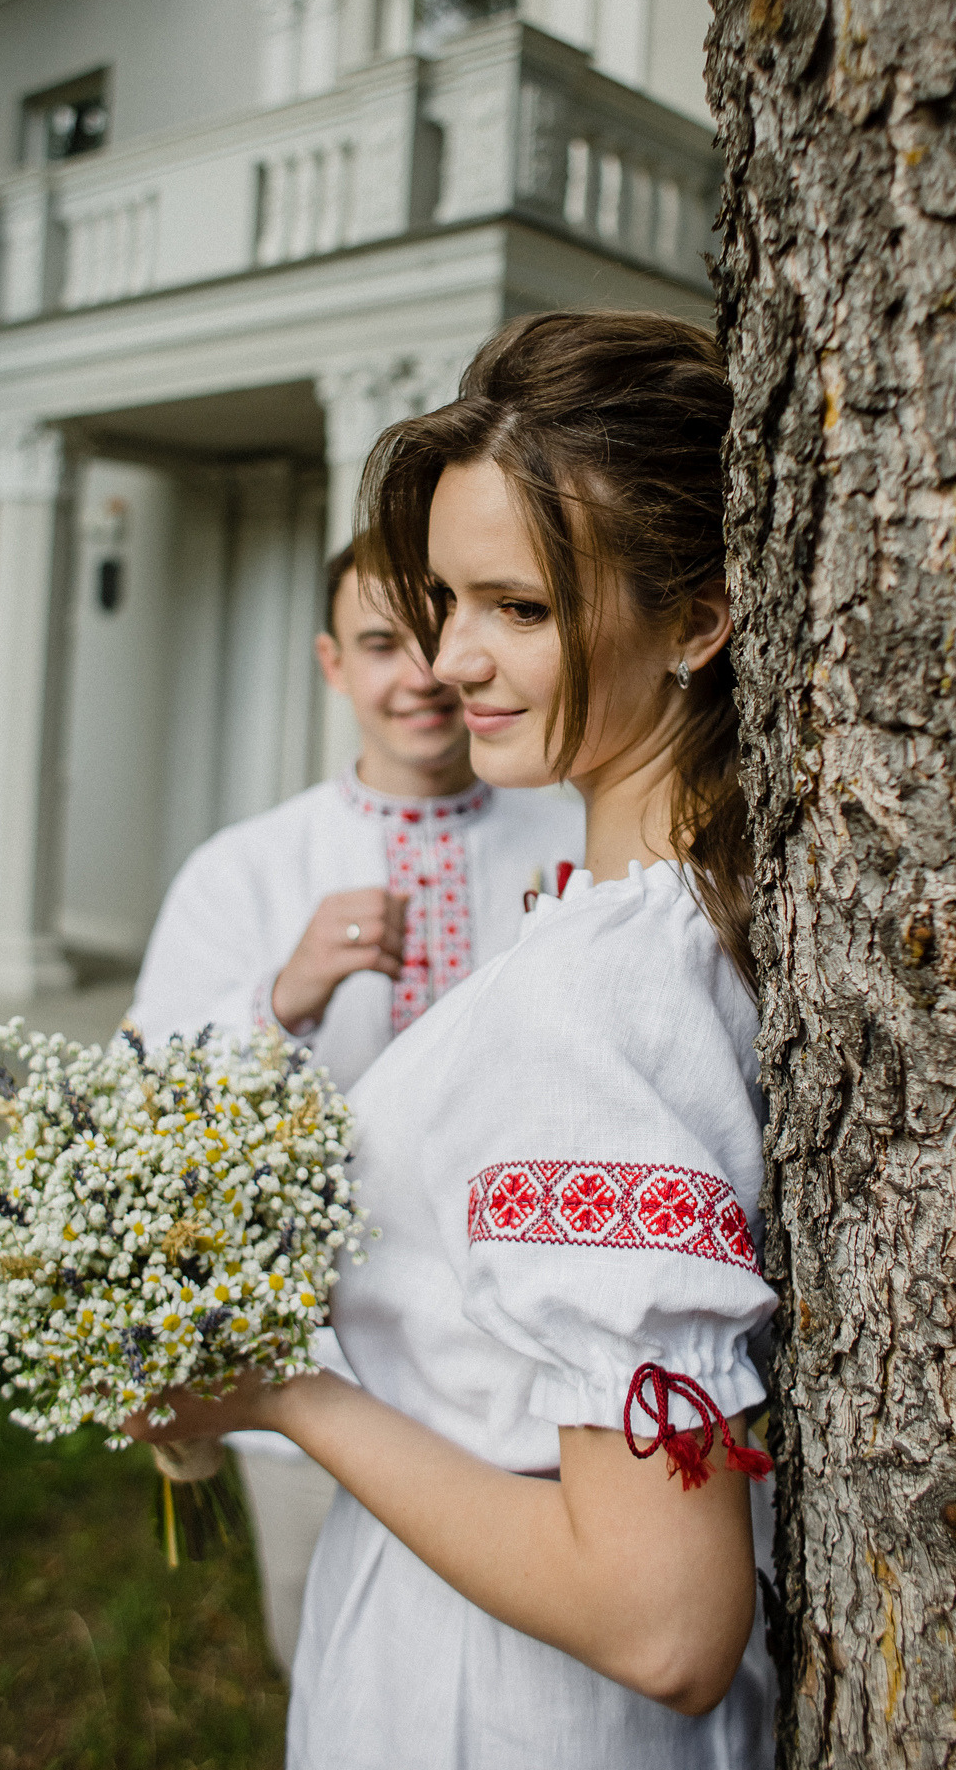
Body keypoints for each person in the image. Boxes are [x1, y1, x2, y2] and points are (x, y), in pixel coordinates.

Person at [130, 311, 778, 1769]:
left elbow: (663, 1617)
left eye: (523, 609)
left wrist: (282, 1393)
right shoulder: (644, 926)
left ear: (698, 618)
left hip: (507, 1705)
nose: (453, 661)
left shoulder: (598, 1002)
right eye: (443, 599)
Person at [129, 544, 583, 1672]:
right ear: (333, 665)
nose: (420, 675)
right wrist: (278, 999)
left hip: (527, 1346)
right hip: (320, 1354)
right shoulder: (243, 869)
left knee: (530, 1634)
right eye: (382, 645)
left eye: (437, 639)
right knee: (329, 1636)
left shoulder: (570, 835)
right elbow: (143, 1115)